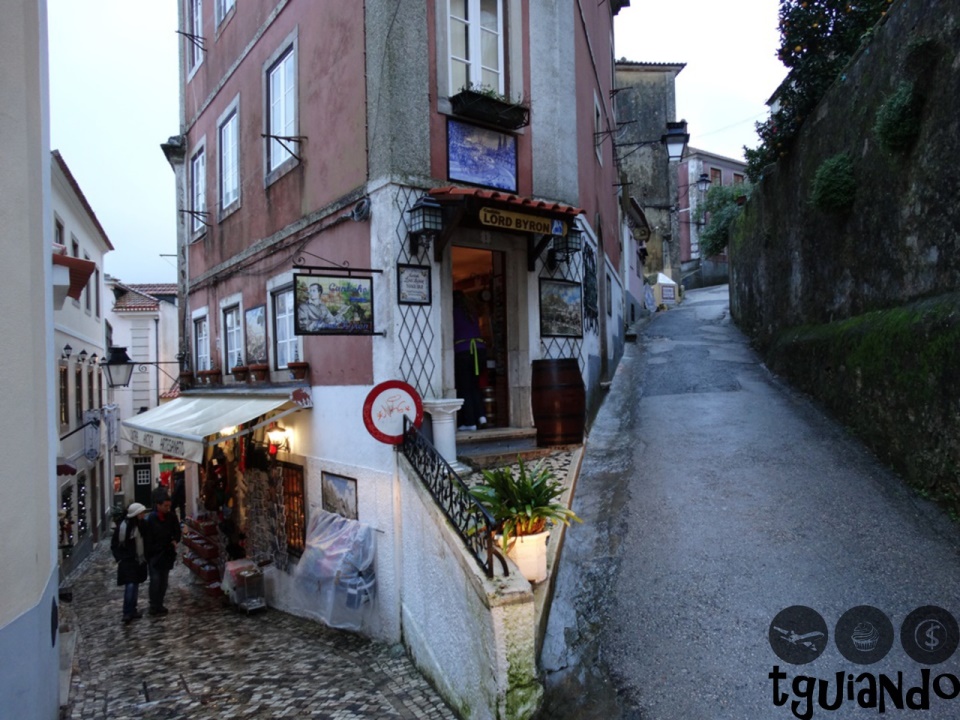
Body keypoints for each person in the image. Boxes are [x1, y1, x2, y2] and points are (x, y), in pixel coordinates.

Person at [453, 290, 487, 431]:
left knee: (464, 387)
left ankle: (470, 422)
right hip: (479, 350)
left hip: (464, 351)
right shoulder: (472, 312)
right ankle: (481, 416)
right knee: (475, 385)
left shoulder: (453, 312)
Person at [144, 488, 182, 616]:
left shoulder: (171, 517)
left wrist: (175, 540)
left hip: (167, 553)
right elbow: (147, 539)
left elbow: (177, 531)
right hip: (155, 554)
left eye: (169, 506)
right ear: (158, 505)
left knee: (164, 581)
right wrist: (150, 553)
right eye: (165, 506)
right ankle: (153, 605)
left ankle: (159, 604)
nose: (168, 508)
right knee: (155, 580)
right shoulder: (151, 519)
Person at [113, 502, 149, 624]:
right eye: (141, 513)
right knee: (130, 584)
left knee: (135, 584)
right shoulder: (124, 527)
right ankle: (127, 611)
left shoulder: (142, 525)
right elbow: (115, 544)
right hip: (127, 561)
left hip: (138, 560)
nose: (143, 515)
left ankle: (132, 609)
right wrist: (119, 558)